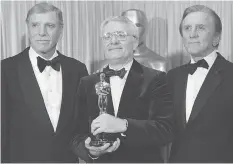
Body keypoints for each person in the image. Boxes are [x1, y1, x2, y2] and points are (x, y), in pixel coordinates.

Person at [72, 16, 173, 163]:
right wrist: (91, 151)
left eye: (121, 35)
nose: (113, 41)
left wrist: (124, 125)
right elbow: (76, 135)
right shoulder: (87, 83)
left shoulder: (156, 79)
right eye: (107, 36)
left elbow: (165, 130)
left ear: (135, 42)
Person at [1, 2, 88, 163]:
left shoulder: (78, 69)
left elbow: (82, 125)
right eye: (35, 25)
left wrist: (91, 148)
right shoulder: (5, 69)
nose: (42, 33)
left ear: (61, 30)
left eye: (50, 25)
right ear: (28, 27)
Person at [167, 5, 233, 162]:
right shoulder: (172, 76)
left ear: (216, 37)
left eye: (201, 28)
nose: (192, 34)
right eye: (187, 28)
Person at [96, 9, 167, 73]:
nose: (133, 31)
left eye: (137, 25)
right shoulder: (105, 65)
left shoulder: (158, 63)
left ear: (146, 27)